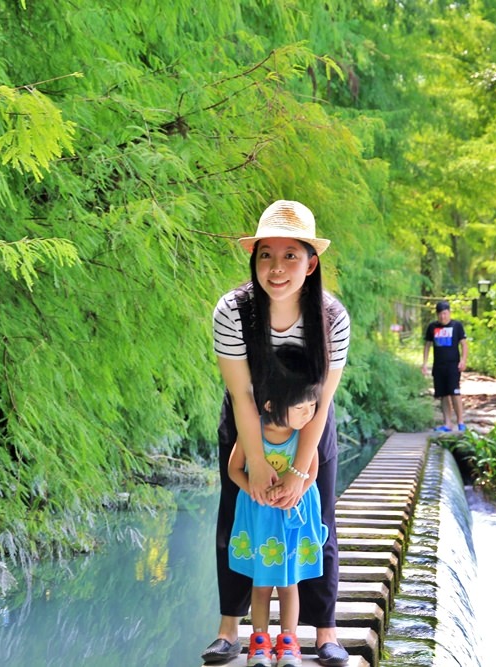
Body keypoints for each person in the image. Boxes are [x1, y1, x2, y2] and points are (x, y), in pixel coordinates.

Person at [203, 200, 351, 667]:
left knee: (318, 516)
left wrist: (301, 472)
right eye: (266, 254)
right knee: (236, 518)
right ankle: (230, 629)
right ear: (254, 260)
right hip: (250, 425)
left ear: (311, 263)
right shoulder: (233, 311)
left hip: (311, 425)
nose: (277, 267)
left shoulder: (331, 317)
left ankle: (324, 631)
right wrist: (259, 462)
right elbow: (242, 396)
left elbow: (323, 400)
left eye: (291, 255)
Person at [228, 345, 329, 667]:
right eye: (301, 408)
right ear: (271, 404)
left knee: (288, 583)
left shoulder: (304, 435)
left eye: (313, 406)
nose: (308, 415)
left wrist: (297, 491)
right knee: (261, 584)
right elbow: (234, 469)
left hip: (292, 516)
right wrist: (253, 490)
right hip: (259, 517)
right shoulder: (252, 431)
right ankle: (259, 640)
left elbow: (312, 471)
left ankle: (288, 641)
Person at [422, 300, 468, 433]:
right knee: (443, 395)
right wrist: (424, 363)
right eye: (440, 314)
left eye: (445, 313)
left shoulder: (457, 326)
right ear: (437, 315)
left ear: (449, 313)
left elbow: (464, 344)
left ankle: (460, 421)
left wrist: (463, 360)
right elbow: (427, 345)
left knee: (455, 393)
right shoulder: (432, 327)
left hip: (453, 365)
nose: (443, 317)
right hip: (439, 366)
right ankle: (447, 423)